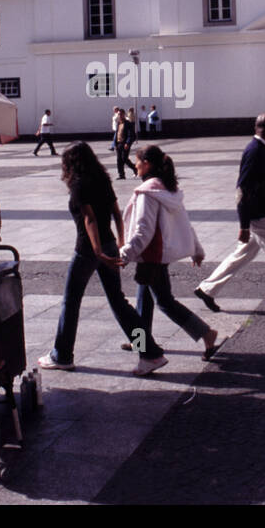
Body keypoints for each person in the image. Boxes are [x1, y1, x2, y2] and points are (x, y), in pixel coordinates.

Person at [38, 142, 167, 377]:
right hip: (108, 244)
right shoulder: (102, 179)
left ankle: (62, 355)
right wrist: (119, 241)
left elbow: (90, 220)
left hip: (88, 250)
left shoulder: (78, 184)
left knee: (71, 301)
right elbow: (116, 213)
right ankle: (149, 353)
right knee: (118, 302)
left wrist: (97, 252)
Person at [114, 145, 221, 361]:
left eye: (137, 161)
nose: (135, 165)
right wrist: (197, 249)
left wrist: (124, 254)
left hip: (152, 254)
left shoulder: (148, 193)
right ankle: (140, 342)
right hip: (156, 254)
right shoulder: (166, 188)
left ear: (147, 164)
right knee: (144, 296)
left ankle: (206, 334)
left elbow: (143, 230)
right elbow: (184, 222)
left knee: (164, 301)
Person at [195, 114, 265, 318]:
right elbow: (241, 190)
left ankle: (207, 289)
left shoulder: (260, 148)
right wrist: (244, 225)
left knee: (242, 254)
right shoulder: (255, 151)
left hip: (258, 214)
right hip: (260, 216)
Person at [115, 108, 138, 179]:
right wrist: (115, 144)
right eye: (118, 114)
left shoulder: (128, 123)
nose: (120, 116)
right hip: (119, 143)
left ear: (124, 114)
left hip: (125, 143)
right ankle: (121, 175)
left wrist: (127, 143)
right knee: (119, 159)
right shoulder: (119, 123)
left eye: (121, 114)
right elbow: (117, 134)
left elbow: (131, 134)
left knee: (124, 158)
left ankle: (135, 168)